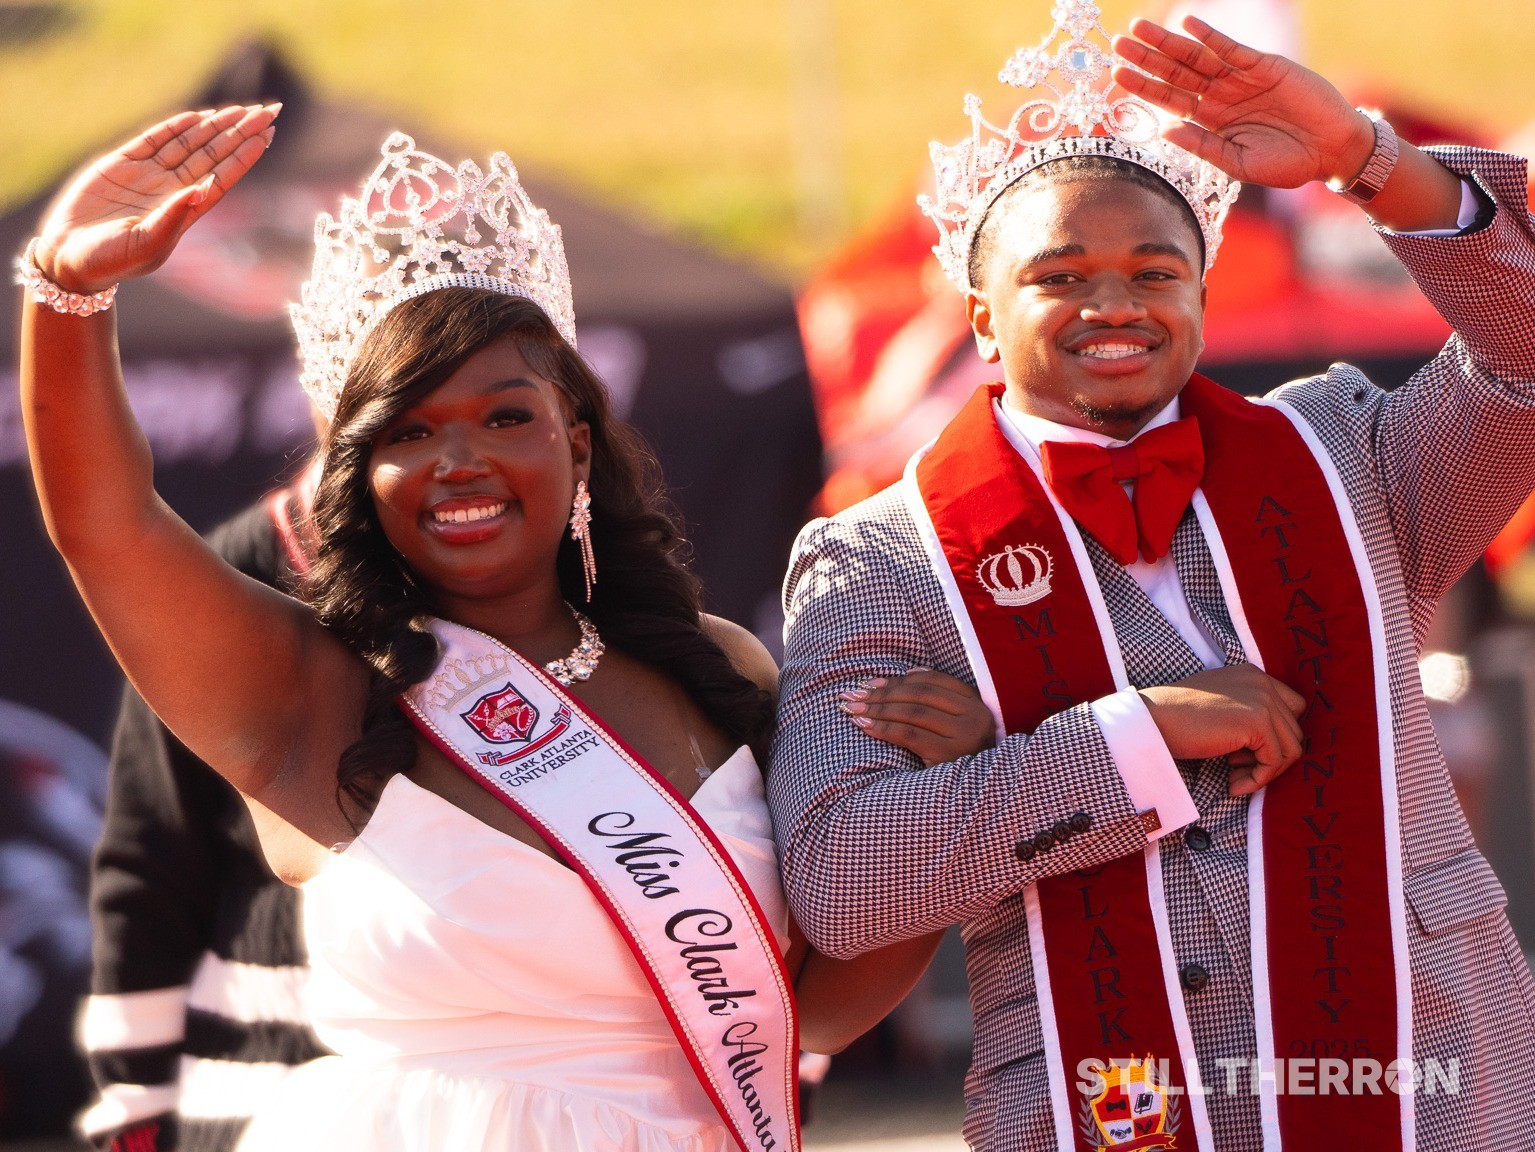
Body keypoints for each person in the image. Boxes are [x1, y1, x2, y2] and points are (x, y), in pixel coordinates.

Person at [16, 109, 944, 1151]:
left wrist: (939, 808)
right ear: (359, 478)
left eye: (506, 418)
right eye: (409, 432)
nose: (459, 460)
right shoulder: (310, 691)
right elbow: (107, 528)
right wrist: (67, 288)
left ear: (578, 449)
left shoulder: (714, 666)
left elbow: (815, 1008)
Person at [769, 5, 1535, 1151]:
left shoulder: (1348, 454)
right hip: (1105, 1105)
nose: (1114, 304)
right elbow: (845, 880)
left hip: (1428, 1084)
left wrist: (1361, 160)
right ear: (979, 315)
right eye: (1059, 274)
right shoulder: (880, 557)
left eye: (1152, 270)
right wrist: (1134, 737)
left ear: (1199, 294)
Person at [77, 464, 328, 1152]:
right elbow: (152, 856)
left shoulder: (600, 578)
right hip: (266, 1094)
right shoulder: (239, 566)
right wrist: (137, 1108)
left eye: (502, 417)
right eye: (414, 425)